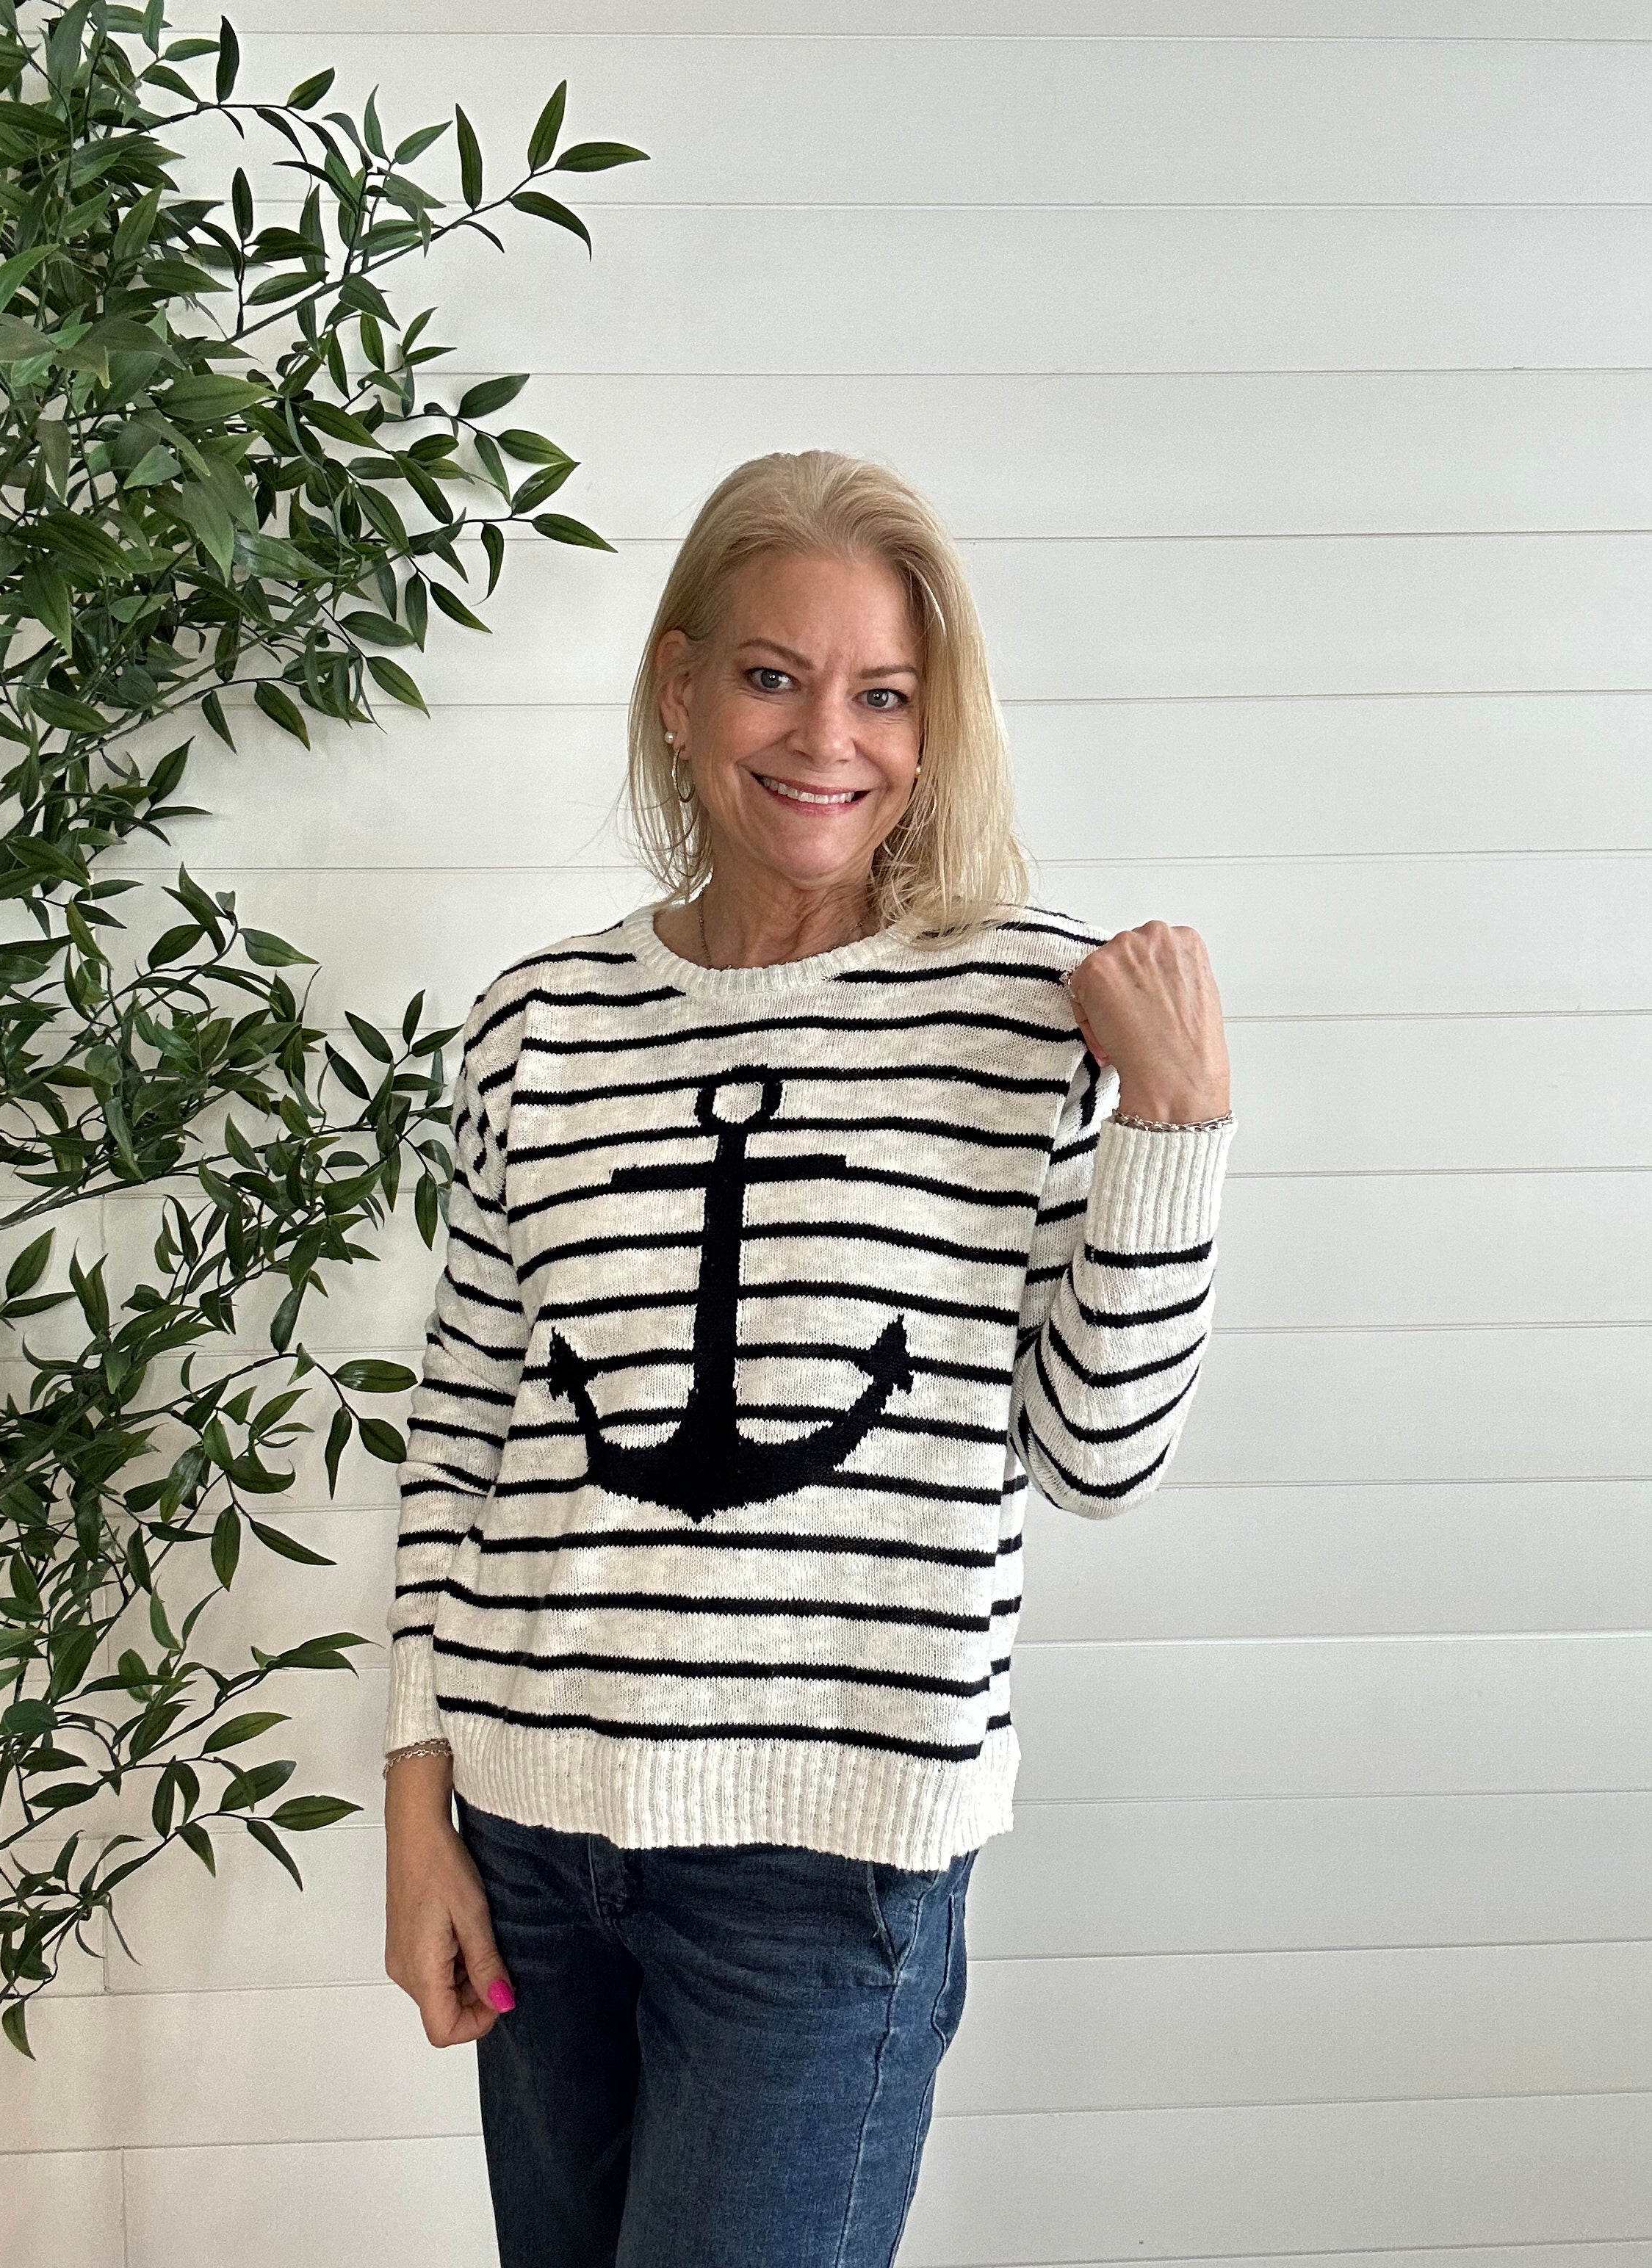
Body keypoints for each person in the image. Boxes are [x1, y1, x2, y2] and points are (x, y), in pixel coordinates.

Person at [380, 449, 1236, 2267]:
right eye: (774, 675)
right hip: (531, 1839)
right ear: (680, 689)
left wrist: (1175, 1123)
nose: (827, 737)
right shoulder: (537, 1025)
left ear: (935, 725)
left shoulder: (1031, 1012)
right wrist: (417, 1804)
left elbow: (1096, 1455)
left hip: (824, 1870)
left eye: (885, 693)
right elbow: (461, 1435)